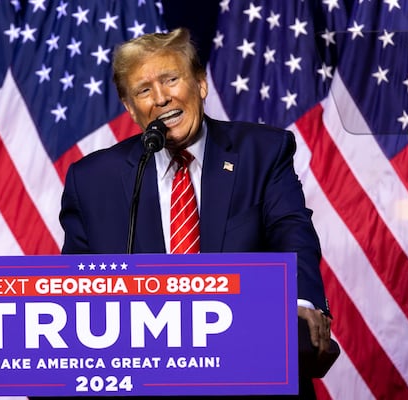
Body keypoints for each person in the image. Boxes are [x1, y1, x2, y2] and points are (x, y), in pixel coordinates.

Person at [59, 27, 332, 398]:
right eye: (143, 90)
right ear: (130, 107)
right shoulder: (92, 181)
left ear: (200, 84)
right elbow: (75, 289)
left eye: (171, 79)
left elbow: (292, 231)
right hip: (145, 383)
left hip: (251, 376)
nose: (160, 98)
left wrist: (300, 302)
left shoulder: (261, 153)